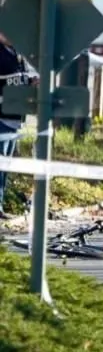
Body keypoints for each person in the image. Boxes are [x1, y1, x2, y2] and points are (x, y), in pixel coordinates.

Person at [0, 32, 38, 219]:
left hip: (14, 118)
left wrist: (31, 82)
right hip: (1, 116)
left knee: (5, 166)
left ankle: (0, 205)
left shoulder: (16, 52)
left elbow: (18, 78)